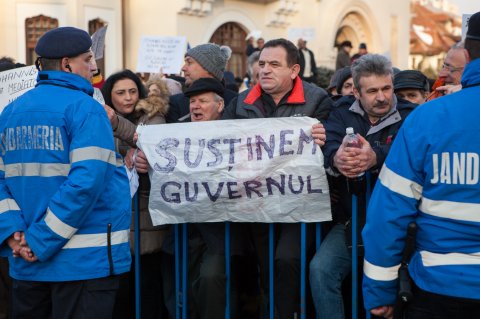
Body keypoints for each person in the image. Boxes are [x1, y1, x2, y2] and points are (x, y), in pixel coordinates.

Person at [0, 26, 131, 318]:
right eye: (88, 59)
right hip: (83, 265)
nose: (94, 66)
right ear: (66, 64)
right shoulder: (86, 109)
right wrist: (39, 240)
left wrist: (13, 235)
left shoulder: (10, 112)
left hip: (26, 264)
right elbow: (85, 184)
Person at [363, 11, 480, 319]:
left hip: (440, 289)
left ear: (467, 55)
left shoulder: (428, 118)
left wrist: (380, 291)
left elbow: (388, 214)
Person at [223, 38, 331, 319]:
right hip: (257, 203)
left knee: (288, 259)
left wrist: (325, 138)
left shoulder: (317, 99)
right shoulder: (240, 102)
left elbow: (333, 143)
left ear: (294, 70)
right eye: (261, 64)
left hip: (300, 203)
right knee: (268, 265)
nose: (265, 70)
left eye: (274, 64)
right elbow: (220, 144)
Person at [309, 54, 416, 319]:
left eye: (387, 88)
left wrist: (375, 156)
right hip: (352, 219)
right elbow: (328, 145)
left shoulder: (410, 114)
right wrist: (338, 158)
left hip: (401, 223)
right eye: (372, 91)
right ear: (356, 91)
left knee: (397, 290)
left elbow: (414, 151)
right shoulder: (339, 111)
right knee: (321, 270)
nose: (382, 97)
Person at [102, 69, 169, 319]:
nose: (128, 98)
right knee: (121, 292)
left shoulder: (152, 115)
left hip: (145, 220)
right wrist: (122, 157)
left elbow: (151, 142)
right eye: (120, 93)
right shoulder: (97, 117)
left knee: (148, 286)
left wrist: (121, 129)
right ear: (110, 96)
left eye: (132, 91)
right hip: (115, 218)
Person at [165, 43, 237, 123]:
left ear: (208, 67)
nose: (183, 68)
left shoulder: (237, 102)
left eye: (189, 62)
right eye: (192, 101)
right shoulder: (175, 103)